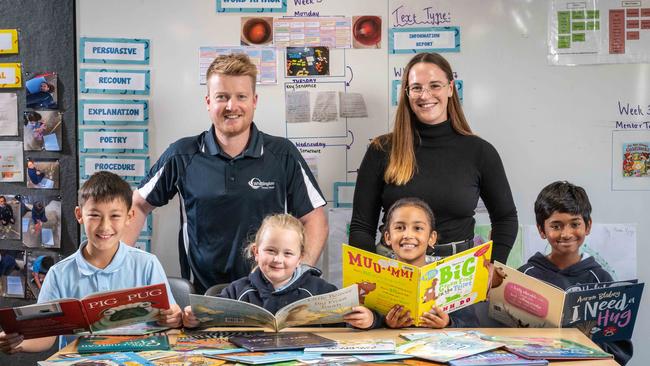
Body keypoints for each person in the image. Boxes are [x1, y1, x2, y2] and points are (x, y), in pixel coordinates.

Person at [125, 53, 328, 293]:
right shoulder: (182, 155)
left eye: (241, 96)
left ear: (254, 100)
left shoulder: (283, 154)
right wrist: (117, 267)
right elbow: (137, 206)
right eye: (222, 97)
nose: (232, 106)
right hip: (202, 298)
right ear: (208, 101)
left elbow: (315, 218)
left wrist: (298, 274)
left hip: (268, 297)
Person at [349, 52, 517, 264]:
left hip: (458, 271)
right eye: (417, 87)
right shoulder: (381, 150)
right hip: (394, 267)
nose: (425, 95)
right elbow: (362, 226)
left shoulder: (480, 152)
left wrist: (494, 264)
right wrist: (369, 271)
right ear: (407, 93)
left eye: (435, 85)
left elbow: (506, 218)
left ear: (450, 88)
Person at [0, 171, 182, 354]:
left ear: (129, 216)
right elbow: (45, 337)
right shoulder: (58, 274)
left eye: (115, 216)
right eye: (94, 215)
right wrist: (18, 344)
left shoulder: (147, 264)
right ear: (79, 215)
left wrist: (173, 317)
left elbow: (170, 317)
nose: (104, 226)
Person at [182, 213, 381, 330]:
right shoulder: (235, 292)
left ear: (300, 257)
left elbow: (351, 323)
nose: (278, 259)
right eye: (270, 251)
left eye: (288, 253)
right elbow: (207, 326)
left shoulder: (320, 289)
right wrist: (193, 320)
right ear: (256, 252)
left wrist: (369, 319)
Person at [519, 181, 632, 365]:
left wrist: (580, 341)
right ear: (541, 230)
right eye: (556, 226)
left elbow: (620, 350)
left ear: (587, 226)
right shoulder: (526, 276)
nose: (566, 233)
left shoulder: (601, 280)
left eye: (574, 224)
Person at [379, 198, 478, 329]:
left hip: (439, 345)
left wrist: (448, 323)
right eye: (399, 227)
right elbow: (363, 321)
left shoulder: (452, 276)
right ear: (388, 237)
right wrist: (386, 323)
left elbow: (472, 324)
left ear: (431, 238)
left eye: (418, 228)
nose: (408, 234)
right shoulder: (377, 275)